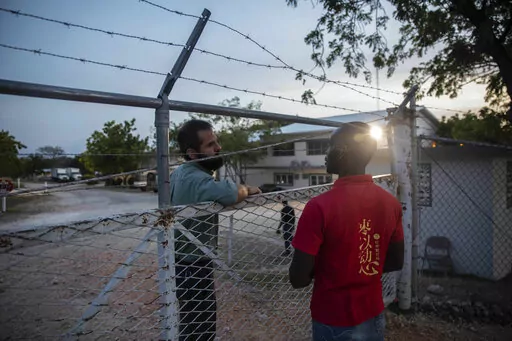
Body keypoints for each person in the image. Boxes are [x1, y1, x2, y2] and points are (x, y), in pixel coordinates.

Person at [288, 122, 404, 341]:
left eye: (330, 146)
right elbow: (396, 261)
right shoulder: (391, 203)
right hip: (373, 312)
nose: (326, 153)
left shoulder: (319, 207)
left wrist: (334, 270)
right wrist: (360, 270)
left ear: (342, 151)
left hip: (333, 317)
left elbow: (298, 278)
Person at [170, 119, 262, 341]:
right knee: (201, 325)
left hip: (181, 260)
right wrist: (247, 189)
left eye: (216, 141)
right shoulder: (196, 179)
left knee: (190, 322)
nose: (218, 148)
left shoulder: (179, 173)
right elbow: (230, 194)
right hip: (193, 264)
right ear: (193, 153)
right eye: (210, 145)